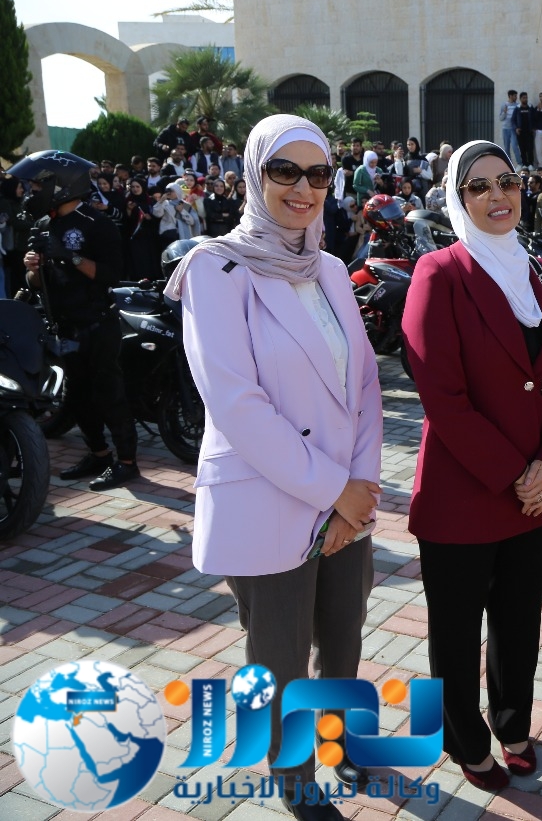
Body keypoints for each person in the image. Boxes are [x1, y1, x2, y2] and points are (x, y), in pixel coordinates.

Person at [164, 115, 383, 821]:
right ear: (253, 174)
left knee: (343, 635)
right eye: (283, 170)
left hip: (345, 497)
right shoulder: (215, 269)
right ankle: (294, 778)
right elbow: (236, 402)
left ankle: (339, 741)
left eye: (317, 173)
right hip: (272, 497)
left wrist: (360, 488)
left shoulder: (329, 269)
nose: (302, 188)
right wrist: (336, 490)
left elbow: (364, 385)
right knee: (281, 653)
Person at [401, 141, 542, 791]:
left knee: (518, 620)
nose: (497, 195)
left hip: (533, 489)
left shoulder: (541, 273)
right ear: (458, 199)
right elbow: (442, 397)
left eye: (507, 181)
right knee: (454, 631)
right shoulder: (440, 274)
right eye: (478, 186)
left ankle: (513, 723)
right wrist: (517, 473)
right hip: (466, 490)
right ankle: (463, 738)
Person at [12, 151, 140, 491]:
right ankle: (99, 454)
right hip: (65, 327)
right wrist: (33, 268)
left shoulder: (97, 224)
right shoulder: (44, 225)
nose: (32, 191)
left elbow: (110, 274)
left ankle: (127, 463)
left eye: (37, 185)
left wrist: (69, 256)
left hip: (98, 324)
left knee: (109, 394)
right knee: (78, 398)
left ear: (61, 186)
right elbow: (35, 283)